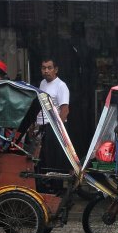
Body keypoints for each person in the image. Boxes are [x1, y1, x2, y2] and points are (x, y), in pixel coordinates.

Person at [36, 58, 71, 190]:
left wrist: (58, 129)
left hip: (55, 127)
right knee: (44, 158)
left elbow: (65, 110)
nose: (46, 71)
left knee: (56, 159)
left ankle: (57, 189)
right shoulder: (42, 83)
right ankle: (47, 187)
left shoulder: (61, 86)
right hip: (43, 125)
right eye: (43, 68)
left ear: (55, 70)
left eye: (49, 68)